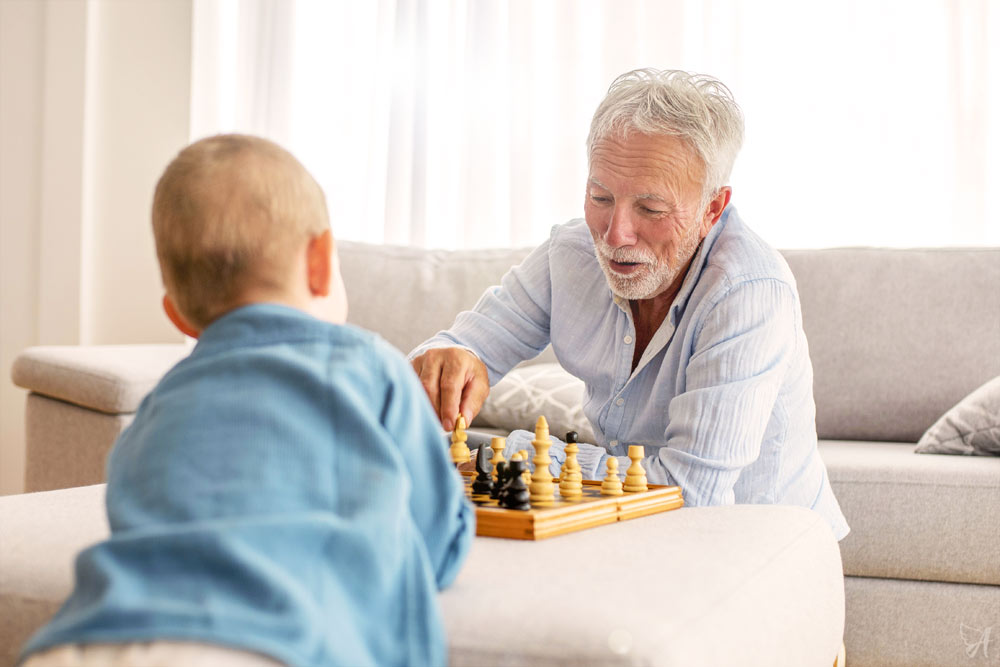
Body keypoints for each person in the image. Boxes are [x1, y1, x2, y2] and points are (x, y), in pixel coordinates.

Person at [20, 134, 474, 667]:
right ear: (322, 262)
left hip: (95, 640)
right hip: (282, 644)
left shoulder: (157, 407)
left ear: (178, 316)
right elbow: (436, 542)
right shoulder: (371, 367)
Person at [410, 68, 849, 540]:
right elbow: (467, 345)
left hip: (761, 549)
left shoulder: (749, 291)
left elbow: (690, 494)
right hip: (631, 527)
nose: (614, 235)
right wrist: (450, 360)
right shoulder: (571, 254)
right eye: (600, 197)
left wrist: (518, 452)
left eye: (651, 209)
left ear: (712, 209)